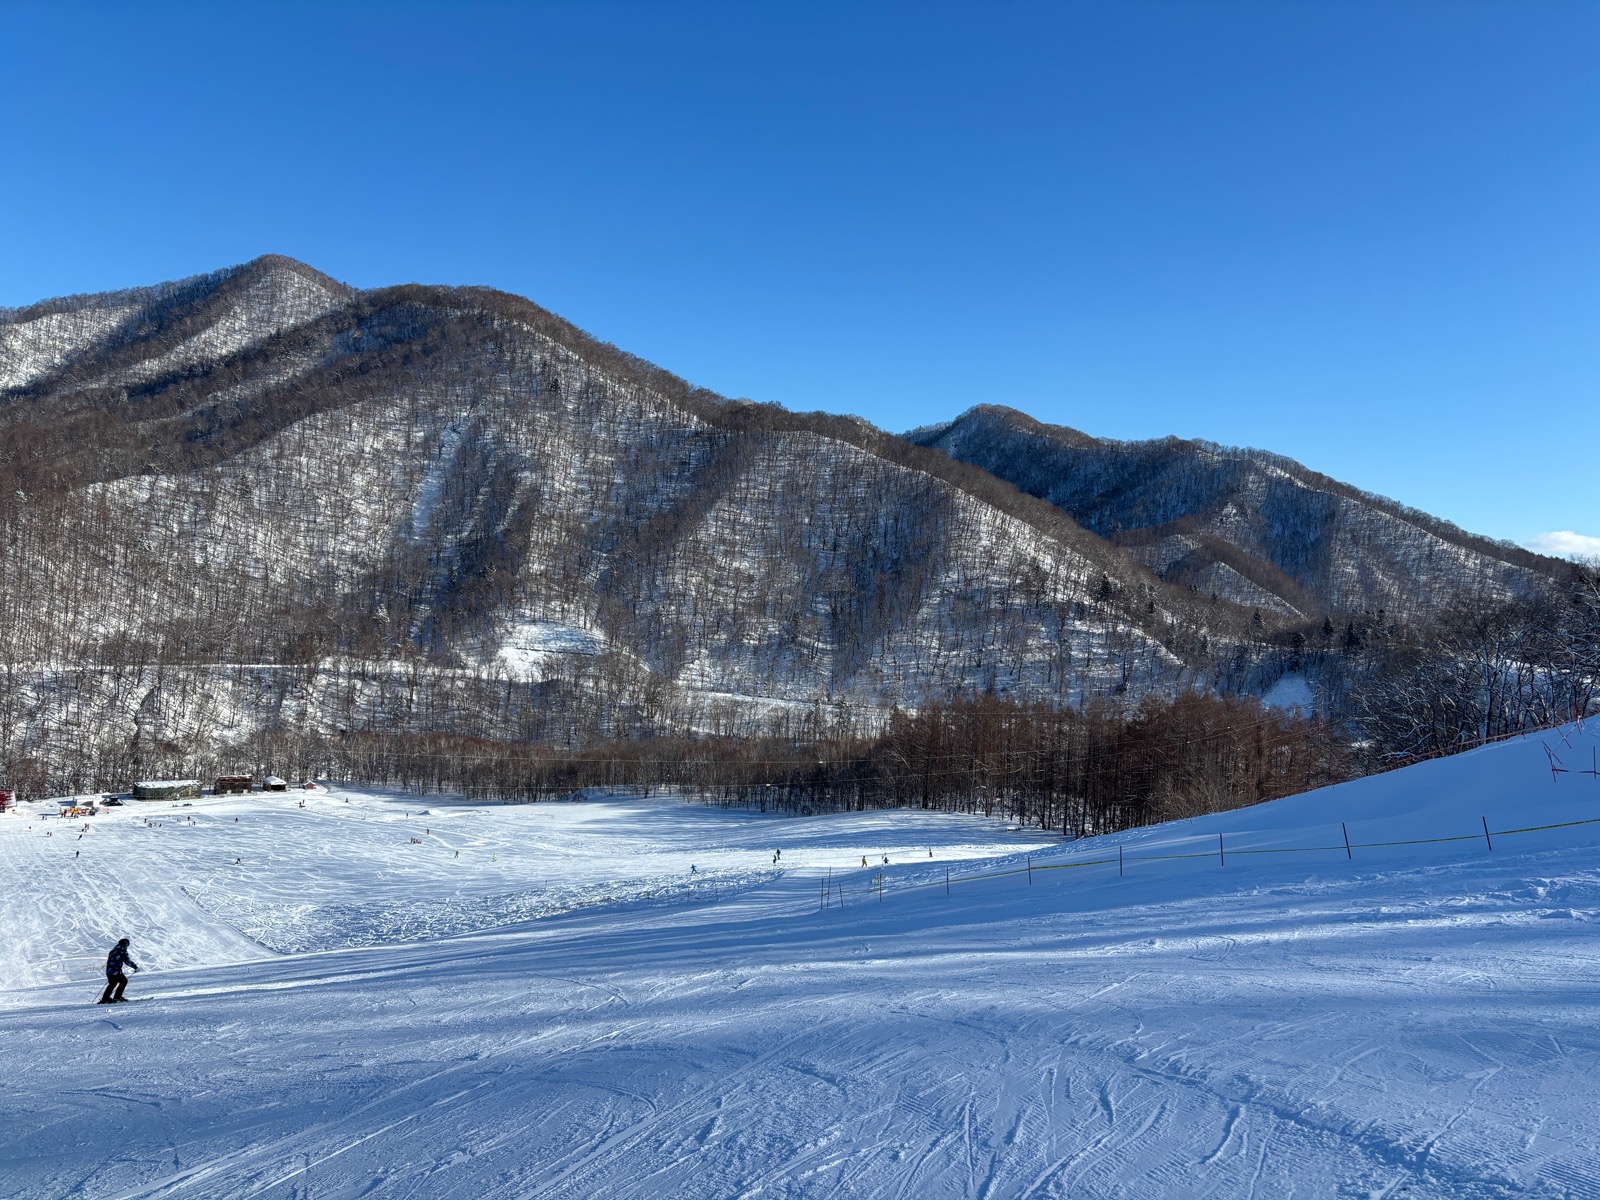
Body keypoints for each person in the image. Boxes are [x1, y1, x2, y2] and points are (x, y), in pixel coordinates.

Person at [98, 938, 139, 1004]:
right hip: (116, 971)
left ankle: (107, 999)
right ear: (126, 944)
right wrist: (135, 967)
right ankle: (112, 998)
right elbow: (127, 960)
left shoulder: (113, 950)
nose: (127, 946)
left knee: (115, 983)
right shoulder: (122, 951)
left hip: (109, 971)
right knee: (121, 982)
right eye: (127, 944)